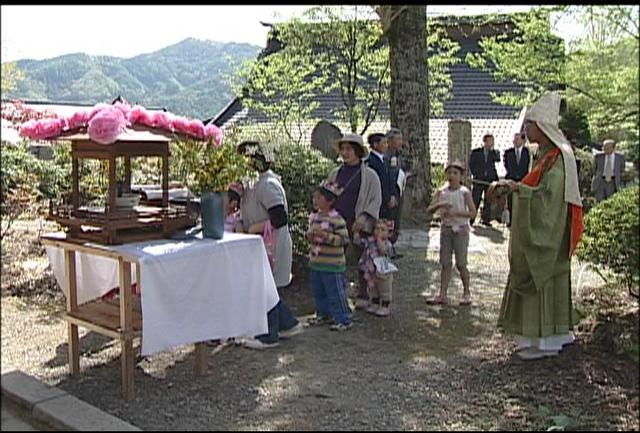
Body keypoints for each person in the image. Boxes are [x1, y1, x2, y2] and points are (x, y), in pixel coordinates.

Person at [497, 93, 584, 360]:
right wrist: (518, 188)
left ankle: (545, 340)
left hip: (551, 231)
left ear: (543, 126)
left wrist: (519, 190)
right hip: (543, 226)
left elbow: (550, 196)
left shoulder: (559, 156)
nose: (525, 130)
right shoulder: (545, 154)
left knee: (542, 277)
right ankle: (533, 337)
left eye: (529, 125)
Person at [236, 140, 303, 349]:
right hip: (260, 245)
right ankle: (287, 324)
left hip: (272, 245)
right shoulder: (253, 183)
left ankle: (269, 335)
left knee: (266, 288)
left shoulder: (268, 184)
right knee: (264, 286)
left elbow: (280, 218)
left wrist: (253, 228)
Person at [327, 133, 382, 310]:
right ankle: (337, 293)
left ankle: (365, 293)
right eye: (343, 149)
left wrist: (364, 217)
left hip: (359, 222)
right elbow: (327, 195)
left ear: (357, 151)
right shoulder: (335, 173)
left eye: (349, 149)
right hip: (337, 222)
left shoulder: (370, 175)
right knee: (335, 258)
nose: (345, 152)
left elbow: (375, 199)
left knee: (363, 259)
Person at [426, 160, 476, 306]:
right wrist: (440, 205)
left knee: (461, 263)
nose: (452, 176)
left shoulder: (464, 192)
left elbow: (472, 213)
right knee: (445, 263)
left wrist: (457, 213)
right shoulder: (441, 191)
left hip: (461, 230)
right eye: (449, 172)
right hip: (446, 229)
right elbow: (429, 210)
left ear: (461, 176)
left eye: (455, 173)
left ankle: (466, 292)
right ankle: (442, 294)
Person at [307, 180, 353, 331]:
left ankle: (343, 318)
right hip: (317, 261)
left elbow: (343, 239)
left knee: (335, 292)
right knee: (318, 290)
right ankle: (323, 314)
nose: (315, 201)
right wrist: (310, 236)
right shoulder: (315, 217)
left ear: (330, 200)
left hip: (332, 264)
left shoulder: (337, 219)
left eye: (319, 198)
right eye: (314, 197)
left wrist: (327, 237)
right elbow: (310, 237)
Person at [355, 219, 397, 316]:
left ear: (389, 233)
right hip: (371, 270)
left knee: (384, 289)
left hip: (383, 271)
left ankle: (385, 306)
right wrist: (356, 233)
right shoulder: (370, 240)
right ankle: (375, 303)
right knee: (373, 289)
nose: (379, 231)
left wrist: (379, 240)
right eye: (377, 229)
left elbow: (383, 251)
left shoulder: (387, 244)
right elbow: (359, 242)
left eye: (383, 230)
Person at [469, 132, 500, 226]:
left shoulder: (494, 153)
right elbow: (471, 164)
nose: (492, 143)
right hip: (479, 179)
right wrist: (476, 173)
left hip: (489, 180)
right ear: (485, 142)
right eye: (490, 141)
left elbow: (497, 159)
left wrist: (493, 151)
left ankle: (485, 219)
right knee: (476, 199)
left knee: (488, 200)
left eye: (493, 141)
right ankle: (471, 219)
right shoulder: (476, 152)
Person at [503, 132, 531, 227]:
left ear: (522, 141)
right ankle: (511, 221)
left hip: (523, 179)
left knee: (521, 201)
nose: (515, 141)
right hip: (511, 179)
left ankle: (520, 221)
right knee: (511, 201)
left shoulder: (527, 152)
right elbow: (507, 165)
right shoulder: (508, 152)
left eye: (517, 139)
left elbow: (527, 166)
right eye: (514, 139)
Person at [385, 128, 405, 255]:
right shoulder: (388, 156)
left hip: (399, 190)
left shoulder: (398, 155)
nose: (400, 142)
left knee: (396, 219)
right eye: (398, 139)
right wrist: (391, 194)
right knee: (390, 219)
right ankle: (388, 246)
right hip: (392, 192)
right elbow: (390, 176)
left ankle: (392, 246)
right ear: (390, 141)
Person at [366, 132, 395, 219]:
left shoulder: (385, 160)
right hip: (378, 198)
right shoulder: (371, 161)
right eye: (384, 143)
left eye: (387, 143)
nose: (386, 145)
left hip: (387, 198)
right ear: (375, 144)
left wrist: (392, 195)